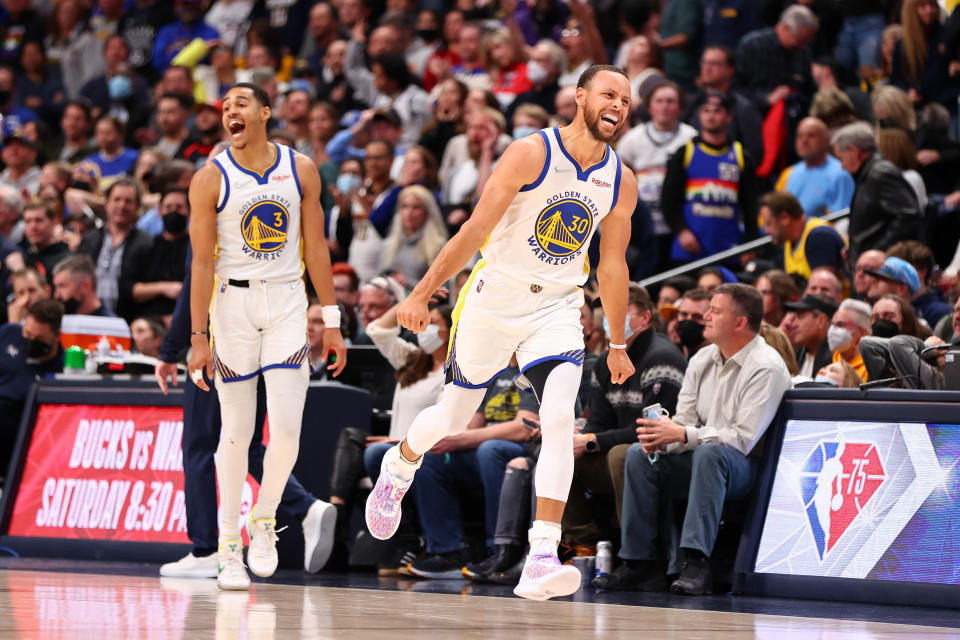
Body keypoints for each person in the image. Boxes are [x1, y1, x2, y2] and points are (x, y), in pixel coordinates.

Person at [364, 64, 638, 602]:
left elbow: (613, 266)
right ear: (579, 97)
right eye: (610, 94)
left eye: (627, 101)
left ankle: (541, 554)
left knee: (559, 418)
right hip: (495, 297)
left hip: (558, 306)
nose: (619, 106)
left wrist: (620, 340)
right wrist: (420, 293)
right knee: (449, 413)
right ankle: (401, 465)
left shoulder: (620, 179)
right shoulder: (532, 152)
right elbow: (474, 230)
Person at [186, 82, 347, 591]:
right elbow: (202, 263)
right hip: (232, 306)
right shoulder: (209, 179)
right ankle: (228, 545)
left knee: (288, 429)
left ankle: (266, 519)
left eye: (239, 103)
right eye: (224, 106)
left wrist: (335, 320)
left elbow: (316, 247)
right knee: (235, 431)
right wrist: (198, 336)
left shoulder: (299, 169)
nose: (229, 111)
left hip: (285, 301)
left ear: (263, 112)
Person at [592, 284, 791, 594]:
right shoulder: (702, 359)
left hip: (749, 469)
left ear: (740, 323)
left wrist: (683, 434)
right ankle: (639, 562)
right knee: (637, 454)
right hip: (703, 459)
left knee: (709, 454)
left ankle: (696, 562)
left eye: (715, 311)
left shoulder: (766, 367)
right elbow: (683, 419)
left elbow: (743, 439)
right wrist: (662, 437)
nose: (706, 316)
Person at [156, 244, 338, 581]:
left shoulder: (216, 209)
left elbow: (196, 281)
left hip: (224, 337)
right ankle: (306, 508)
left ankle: (208, 548)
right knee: (247, 441)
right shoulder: (282, 208)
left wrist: (170, 349)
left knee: (200, 445)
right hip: (275, 333)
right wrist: (333, 322)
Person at [661, 90, 759, 265]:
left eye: (717, 111)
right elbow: (668, 201)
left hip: (729, 249)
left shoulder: (741, 156)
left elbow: (751, 206)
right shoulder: (684, 153)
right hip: (690, 249)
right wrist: (681, 230)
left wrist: (750, 245)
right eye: (706, 111)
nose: (711, 116)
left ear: (728, 117)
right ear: (699, 116)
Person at [831, 122, 921, 266]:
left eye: (841, 158)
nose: (842, 166)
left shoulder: (881, 173)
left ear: (854, 151)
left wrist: (875, 250)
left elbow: (908, 216)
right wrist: (855, 248)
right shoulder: (868, 174)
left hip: (879, 268)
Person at [0, 299, 64, 471]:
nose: (30, 341)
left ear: (58, 336)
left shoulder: (61, 369)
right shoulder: (9, 334)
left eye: (39, 339)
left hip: (16, 446)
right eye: (27, 334)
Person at [774, 117, 854, 218]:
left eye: (811, 135)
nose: (804, 141)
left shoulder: (840, 173)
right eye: (800, 136)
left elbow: (840, 222)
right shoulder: (789, 173)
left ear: (826, 140)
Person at [759, 190, 845, 281]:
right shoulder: (789, 240)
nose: (766, 231)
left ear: (785, 218)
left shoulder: (819, 237)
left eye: (768, 224)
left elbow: (823, 290)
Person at [782, 294, 839, 378]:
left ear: (821, 321)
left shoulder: (836, 359)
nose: (794, 324)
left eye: (800, 317)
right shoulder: (799, 352)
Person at [827, 299, 872, 382]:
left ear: (862, 333)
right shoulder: (828, 362)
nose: (832, 330)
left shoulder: (872, 369)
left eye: (840, 324)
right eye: (832, 324)